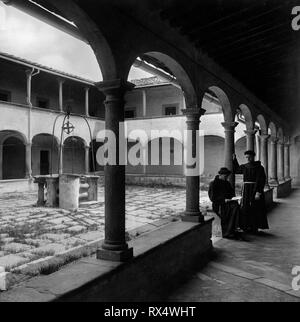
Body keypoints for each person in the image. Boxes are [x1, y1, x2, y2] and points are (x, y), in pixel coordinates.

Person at [233, 150, 269, 234]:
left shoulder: (260, 167)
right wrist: (234, 160)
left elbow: (262, 180)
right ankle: (246, 226)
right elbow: (237, 170)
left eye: (249, 157)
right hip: (246, 190)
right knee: (245, 207)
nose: (248, 159)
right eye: (246, 157)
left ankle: (254, 227)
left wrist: (258, 192)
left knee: (255, 207)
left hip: (255, 189)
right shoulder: (244, 166)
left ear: (253, 157)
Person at [208, 167, 244, 240]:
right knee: (232, 209)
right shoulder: (213, 183)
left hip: (228, 203)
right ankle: (229, 232)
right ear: (220, 175)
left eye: (227, 176)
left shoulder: (227, 183)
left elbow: (231, 194)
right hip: (218, 204)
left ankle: (234, 230)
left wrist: (233, 198)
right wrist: (224, 200)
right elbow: (212, 198)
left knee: (236, 206)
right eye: (225, 176)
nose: (226, 178)